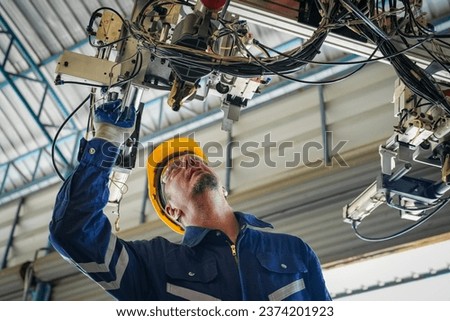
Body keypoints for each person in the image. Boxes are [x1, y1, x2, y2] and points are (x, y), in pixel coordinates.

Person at [49, 99, 331, 301]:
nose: (189, 164)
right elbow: (74, 232)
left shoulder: (293, 251)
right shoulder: (153, 265)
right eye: (173, 170)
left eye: (195, 159)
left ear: (223, 189)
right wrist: (106, 138)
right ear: (172, 210)